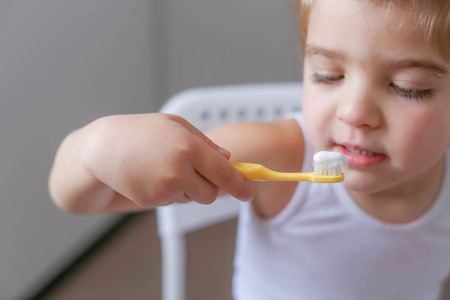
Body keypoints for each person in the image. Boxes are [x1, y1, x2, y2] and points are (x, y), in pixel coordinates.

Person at [49, 0, 450, 299]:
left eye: (408, 88)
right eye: (329, 76)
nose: (355, 112)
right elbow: (77, 197)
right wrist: (95, 146)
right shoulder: (277, 154)